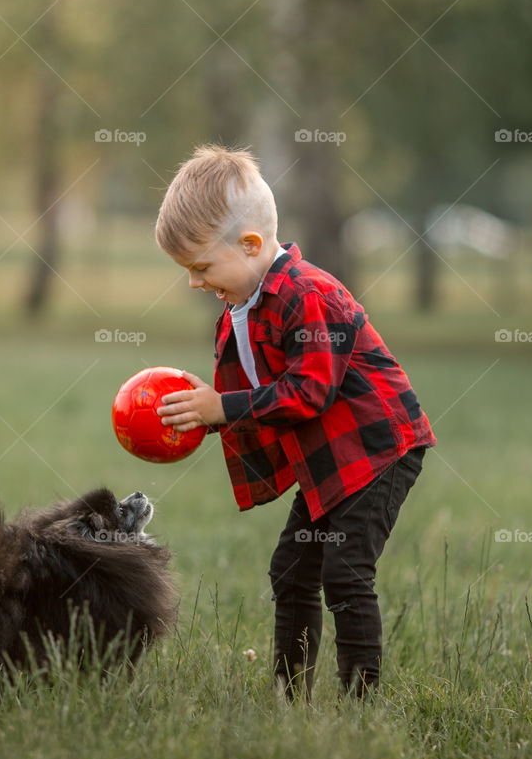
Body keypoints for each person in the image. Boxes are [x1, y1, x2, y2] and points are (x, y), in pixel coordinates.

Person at [154, 144, 435, 700]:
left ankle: (362, 703)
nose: (194, 283)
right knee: (292, 571)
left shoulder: (310, 294)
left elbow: (307, 392)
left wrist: (223, 408)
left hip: (378, 452)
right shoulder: (248, 303)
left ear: (252, 244)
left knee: (345, 572)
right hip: (329, 461)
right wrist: (201, 411)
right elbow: (252, 386)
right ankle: (289, 699)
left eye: (201, 267)